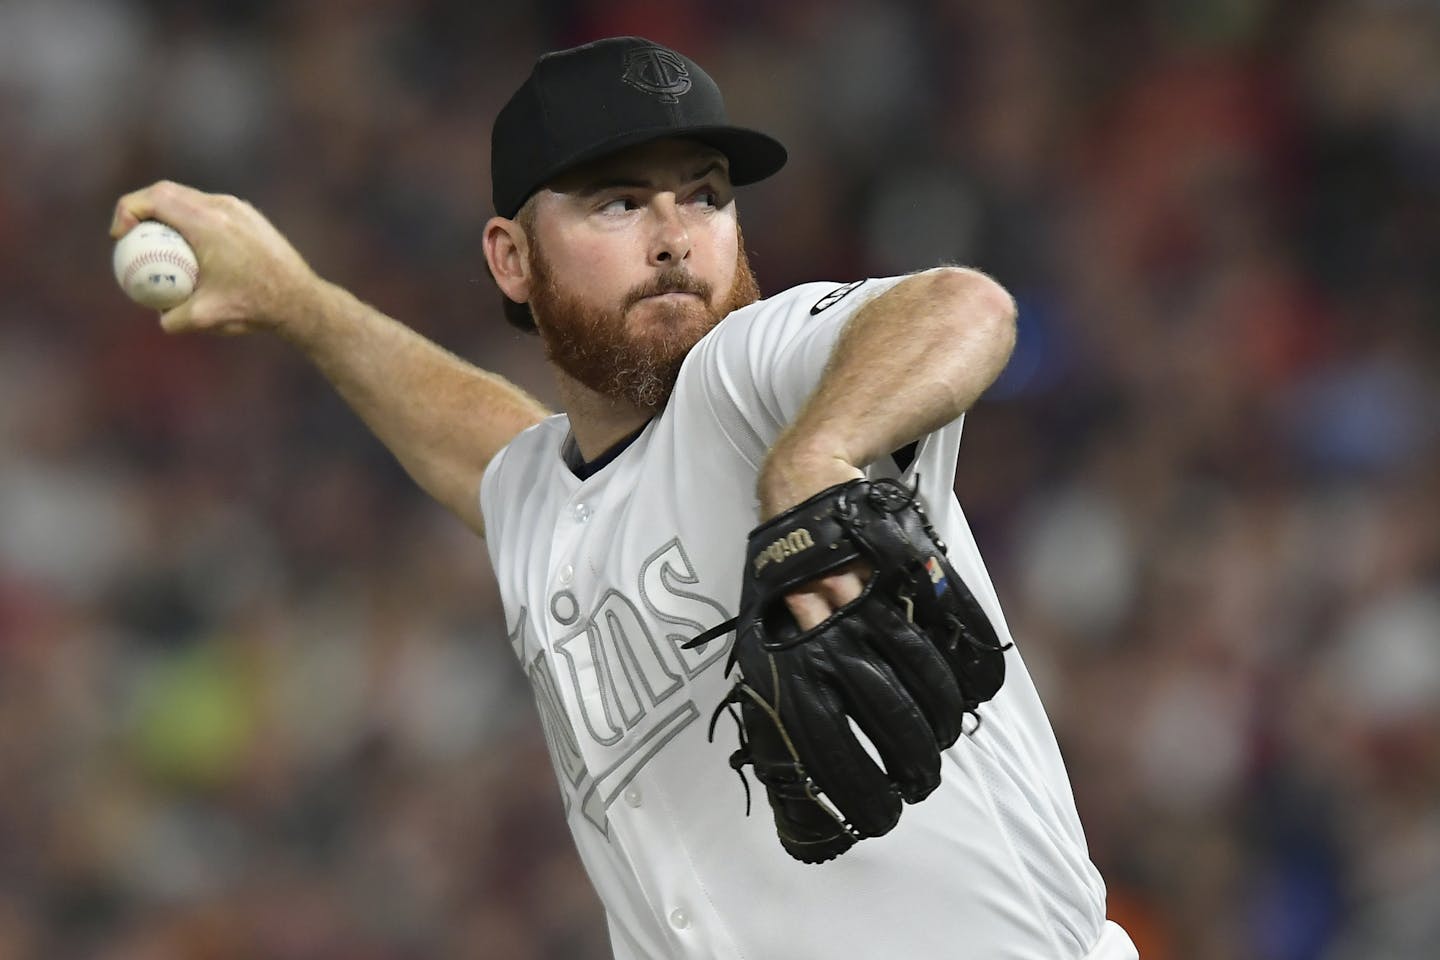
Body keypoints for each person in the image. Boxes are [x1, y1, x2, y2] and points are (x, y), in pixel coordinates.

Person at [112, 35, 1137, 960]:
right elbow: (486, 450)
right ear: (511, 259)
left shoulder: (753, 381)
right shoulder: (540, 500)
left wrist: (813, 457)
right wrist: (301, 304)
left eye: (705, 194)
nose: (675, 235)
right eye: (617, 200)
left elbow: (960, 306)